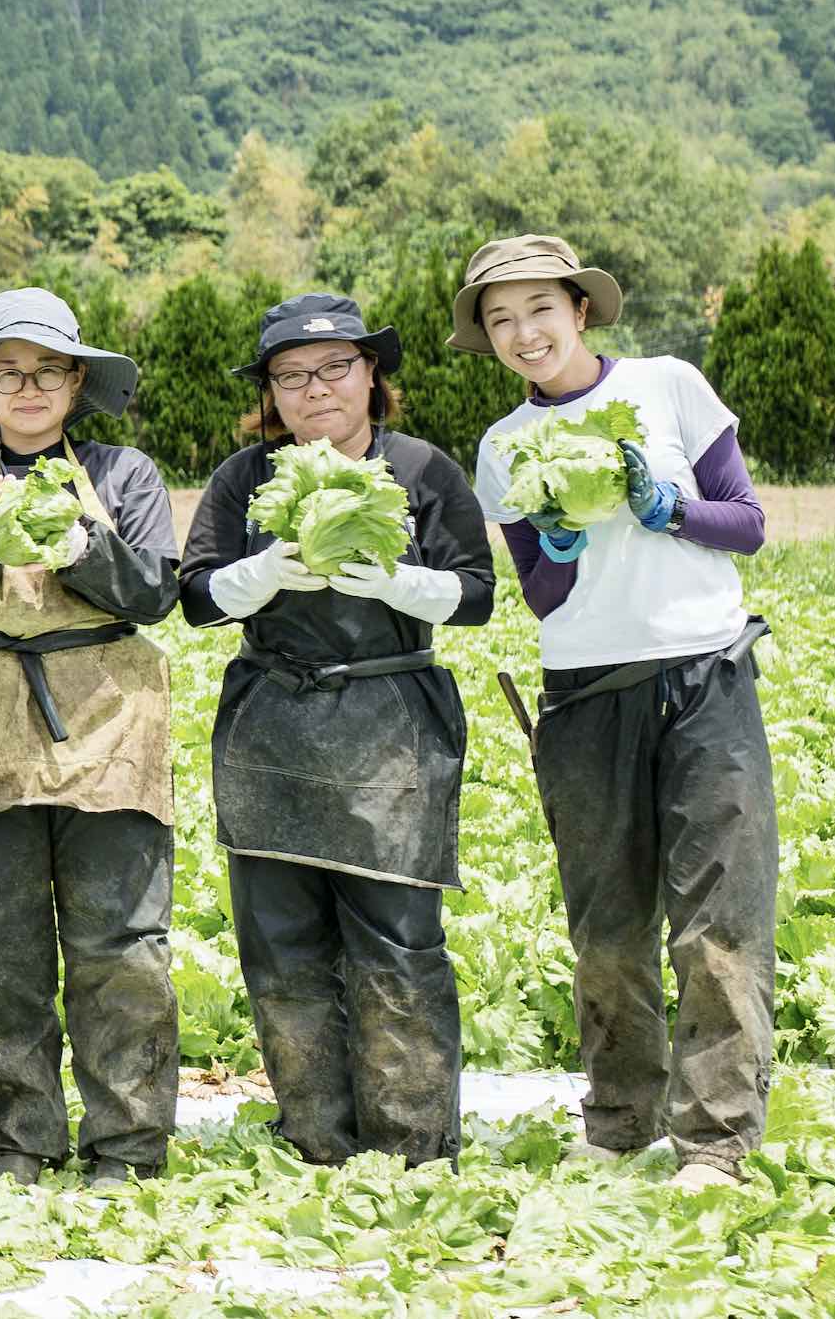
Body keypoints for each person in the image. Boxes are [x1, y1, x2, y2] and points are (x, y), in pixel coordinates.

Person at [459, 233, 776, 1193]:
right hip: (585, 696)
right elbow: (546, 597)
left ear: (581, 310)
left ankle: (716, 1139)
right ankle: (619, 1118)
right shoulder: (503, 448)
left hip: (706, 678)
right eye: (501, 321)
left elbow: (749, 522)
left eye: (539, 311)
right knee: (607, 926)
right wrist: (553, 541)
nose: (524, 334)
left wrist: (665, 507)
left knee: (720, 916)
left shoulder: (669, 386)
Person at [177, 293, 492, 1167]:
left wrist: (398, 582)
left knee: (398, 940)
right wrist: (260, 574)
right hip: (273, 717)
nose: (314, 391)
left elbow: (477, 595)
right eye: (290, 377)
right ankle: (314, 1137)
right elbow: (196, 598)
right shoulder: (246, 477)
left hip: (391, 720)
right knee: (281, 940)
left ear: (371, 375)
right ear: (270, 395)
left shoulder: (424, 470)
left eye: (334, 369)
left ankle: (413, 1148)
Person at [0, 288, 182, 1186]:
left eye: (48, 371)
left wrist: (83, 545)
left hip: (108, 713)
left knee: (121, 944)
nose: (28, 388)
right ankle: (19, 1138)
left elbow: (153, 595)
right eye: (8, 372)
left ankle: (127, 1147)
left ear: (76, 383)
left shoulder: (125, 473)